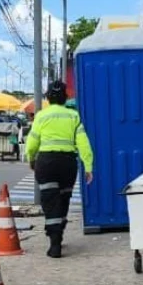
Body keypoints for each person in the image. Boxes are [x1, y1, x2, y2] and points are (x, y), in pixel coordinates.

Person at [25, 80, 94, 258]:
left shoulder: (41, 116)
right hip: (67, 163)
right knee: (63, 199)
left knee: (50, 200)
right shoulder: (73, 116)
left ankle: (54, 242)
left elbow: (32, 141)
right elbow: (83, 143)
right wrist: (88, 166)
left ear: (48, 97)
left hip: (46, 162)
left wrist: (31, 158)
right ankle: (59, 237)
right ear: (65, 97)